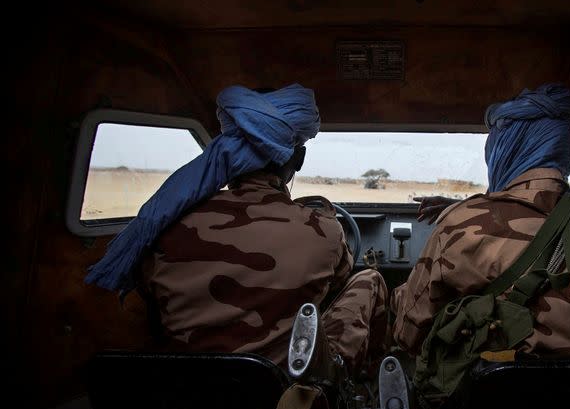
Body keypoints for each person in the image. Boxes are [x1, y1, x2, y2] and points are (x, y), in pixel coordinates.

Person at [85, 84, 388, 373]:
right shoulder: (324, 230)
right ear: (297, 159)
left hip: (182, 397)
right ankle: (357, 393)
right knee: (369, 279)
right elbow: (338, 280)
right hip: (288, 400)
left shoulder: (165, 226)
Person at [392, 83, 570, 362]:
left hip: (495, 399)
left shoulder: (459, 223)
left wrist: (398, 295)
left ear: (507, 148)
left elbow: (408, 335)